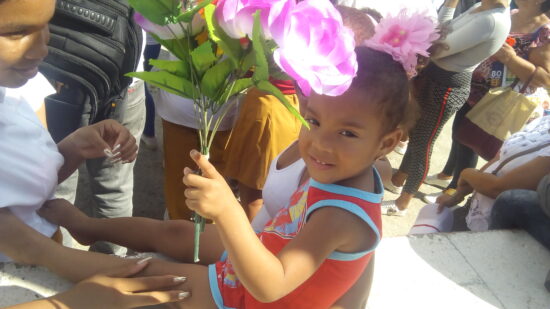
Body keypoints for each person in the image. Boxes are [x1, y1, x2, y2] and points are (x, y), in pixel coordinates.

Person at [36, 43, 413, 308]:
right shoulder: (354, 171)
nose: (319, 144)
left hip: (251, 296)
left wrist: (228, 212)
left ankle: (39, 251)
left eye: (347, 133)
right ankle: (89, 226)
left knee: (147, 273)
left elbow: (271, 287)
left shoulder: (340, 215)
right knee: (178, 231)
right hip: (262, 252)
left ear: (388, 141)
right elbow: (355, 262)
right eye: (312, 120)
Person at [0, 0, 189, 307]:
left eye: (47, 23)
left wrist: (71, 149)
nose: (42, 50)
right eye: (17, 31)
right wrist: (75, 300)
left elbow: (26, 189)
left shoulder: (18, 85)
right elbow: (23, 242)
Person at [383, 0, 511, 216]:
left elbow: (438, 48)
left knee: (423, 142)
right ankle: (398, 179)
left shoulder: (492, 20)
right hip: (434, 78)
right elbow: (441, 30)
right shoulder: (482, 7)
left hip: (446, 87)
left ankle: (403, 202)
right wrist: (451, 3)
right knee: (415, 133)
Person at [424, 0, 550, 202]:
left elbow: (545, 79)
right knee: (459, 132)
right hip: (475, 85)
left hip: (497, 98)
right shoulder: (512, 12)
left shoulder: (544, 32)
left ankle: (455, 189)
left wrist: (511, 59)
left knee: (469, 141)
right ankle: (446, 173)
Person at [52, 2, 147, 255]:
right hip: (122, 77)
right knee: (112, 188)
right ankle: (109, 272)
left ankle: (59, 269)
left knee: (53, 185)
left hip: (55, 77)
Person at [437, 115, 550, 231]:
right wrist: (458, 193)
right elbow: (499, 159)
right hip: (472, 210)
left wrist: (466, 174)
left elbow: (499, 188)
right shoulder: (544, 120)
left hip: (496, 229)